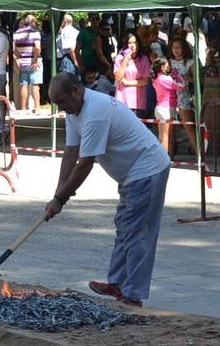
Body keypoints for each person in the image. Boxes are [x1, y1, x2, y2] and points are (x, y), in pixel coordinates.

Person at [45, 72, 172, 307]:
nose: (61, 107)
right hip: (131, 174)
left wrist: (61, 199)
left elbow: (85, 163)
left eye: (62, 101)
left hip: (147, 169)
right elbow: (71, 153)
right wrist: (57, 194)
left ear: (76, 90)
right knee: (124, 226)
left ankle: (132, 294)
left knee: (138, 232)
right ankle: (117, 282)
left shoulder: (95, 112)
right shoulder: (74, 112)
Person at [167, 37, 199, 154]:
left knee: (188, 127)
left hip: (184, 96)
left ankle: (198, 152)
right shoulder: (168, 62)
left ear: (184, 49)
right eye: (174, 47)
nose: (176, 50)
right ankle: (170, 153)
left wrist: (187, 78)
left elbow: (198, 79)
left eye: (178, 47)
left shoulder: (189, 62)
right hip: (169, 96)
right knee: (170, 127)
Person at [113, 31, 152, 118]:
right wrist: (126, 60)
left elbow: (146, 81)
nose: (132, 45)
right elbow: (118, 78)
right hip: (122, 100)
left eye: (134, 42)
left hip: (138, 102)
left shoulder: (144, 59)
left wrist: (127, 82)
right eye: (129, 43)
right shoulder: (119, 58)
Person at [151, 57, 183, 155]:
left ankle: (163, 157)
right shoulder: (166, 79)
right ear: (163, 67)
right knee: (165, 136)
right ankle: (164, 159)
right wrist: (177, 76)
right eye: (167, 65)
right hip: (167, 109)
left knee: (161, 136)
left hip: (159, 108)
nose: (170, 66)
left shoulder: (156, 79)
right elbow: (181, 86)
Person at [13, 13, 43, 112]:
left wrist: (19, 60)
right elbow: (38, 47)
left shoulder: (16, 33)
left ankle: (23, 107)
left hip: (23, 63)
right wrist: (35, 60)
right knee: (35, 85)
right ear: (32, 22)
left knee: (24, 85)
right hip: (33, 62)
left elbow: (15, 50)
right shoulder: (35, 33)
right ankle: (37, 107)